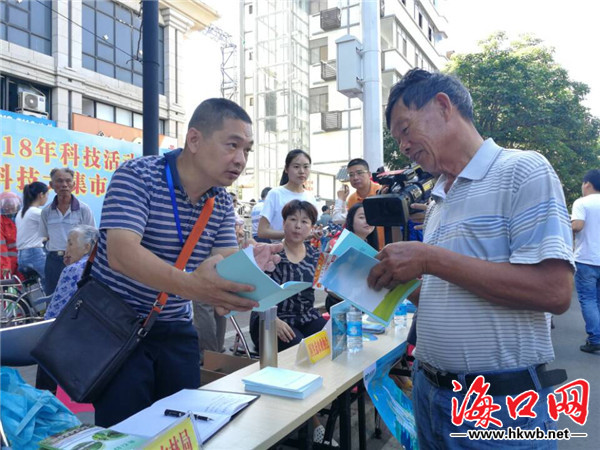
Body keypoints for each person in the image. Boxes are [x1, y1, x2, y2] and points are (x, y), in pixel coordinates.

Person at [367, 69, 574, 448]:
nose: (404, 147)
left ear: (443, 106)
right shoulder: (439, 197)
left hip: (497, 408)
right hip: (429, 394)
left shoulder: (523, 170)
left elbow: (554, 292)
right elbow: (451, 291)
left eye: (406, 130)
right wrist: (400, 283)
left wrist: (430, 259)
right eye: (398, 139)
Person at [89, 98, 281, 427]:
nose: (241, 159)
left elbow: (222, 258)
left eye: (247, 150)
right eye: (232, 145)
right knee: (125, 434)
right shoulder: (138, 176)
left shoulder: (220, 201)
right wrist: (194, 287)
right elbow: (121, 254)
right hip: (117, 327)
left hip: (175, 326)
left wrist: (249, 264)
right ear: (194, 140)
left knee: (184, 428)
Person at [250, 200, 327, 352]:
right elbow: (255, 293)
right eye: (292, 219)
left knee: (331, 337)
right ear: (284, 223)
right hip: (270, 318)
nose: (298, 226)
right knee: (299, 348)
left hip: (306, 317)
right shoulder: (271, 253)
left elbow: (325, 287)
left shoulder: (316, 256)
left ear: (312, 227)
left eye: (304, 221)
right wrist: (273, 319)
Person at [35, 225, 99, 394]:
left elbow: (53, 314)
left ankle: (46, 399)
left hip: (71, 337)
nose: (66, 250)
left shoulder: (73, 270)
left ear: (87, 247)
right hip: (97, 336)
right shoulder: (104, 265)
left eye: (70, 244)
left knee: (44, 347)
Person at [39, 168, 95, 294]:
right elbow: (45, 236)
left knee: (76, 296)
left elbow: (92, 238)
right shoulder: (46, 212)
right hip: (53, 262)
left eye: (68, 181)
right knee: (52, 296)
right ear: (52, 185)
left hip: (77, 262)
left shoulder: (84, 209)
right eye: (59, 181)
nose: (64, 185)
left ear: (74, 184)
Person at [325, 202, 377, 312]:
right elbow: (324, 281)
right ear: (351, 220)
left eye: (371, 217)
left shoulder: (371, 248)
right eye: (362, 217)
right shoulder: (335, 244)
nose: (367, 221)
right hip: (340, 303)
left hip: (364, 303)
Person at [257, 149, 319, 241]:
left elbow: (312, 228)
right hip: (279, 248)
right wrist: (293, 234)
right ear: (286, 169)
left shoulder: (310, 197)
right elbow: (262, 231)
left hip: (304, 248)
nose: (302, 171)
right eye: (296, 167)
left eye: (306, 167)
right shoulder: (275, 194)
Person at [571, 169, 600, 353]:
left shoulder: (582, 202)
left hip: (587, 259)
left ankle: (596, 339)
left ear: (587, 184)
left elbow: (578, 226)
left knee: (588, 299)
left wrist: (567, 225)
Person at [338, 158, 385, 248]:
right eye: (351, 175)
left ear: (369, 174)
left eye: (359, 173)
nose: (355, 178)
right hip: (365, 249)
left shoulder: (382, 192)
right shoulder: (352, 199)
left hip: (387, 247)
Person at [16, 182, 49, 289]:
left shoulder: (21, 212)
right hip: (34, 254)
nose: (47, 198)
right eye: (47, 194)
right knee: (53, 282)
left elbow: (31, 235)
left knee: (35, 289)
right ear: (41, 195)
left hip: (21, 257)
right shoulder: (37, 212)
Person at [0, 192, 22, 277]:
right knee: (7, 282)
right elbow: (1, 246)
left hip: (22, 260)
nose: (9, 207)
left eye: (11, 204)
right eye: (6, 205)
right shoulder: (1, 221)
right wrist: (5, 265)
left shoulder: (22, 218)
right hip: (7, 262)